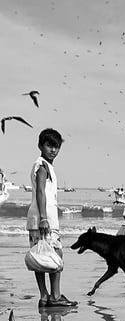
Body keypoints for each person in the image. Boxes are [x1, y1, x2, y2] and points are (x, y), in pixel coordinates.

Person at [26, 128, 77, 309]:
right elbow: (40, 191)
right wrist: (44, 218)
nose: (53, 150)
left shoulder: (44, 165)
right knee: (56, 256)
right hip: (43, 218)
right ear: (40, 146)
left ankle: (44, 296)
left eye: (56, 147)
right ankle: (54, 296)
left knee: (40, 256)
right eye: (49, 146)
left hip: (35, 217)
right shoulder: (42, 166)